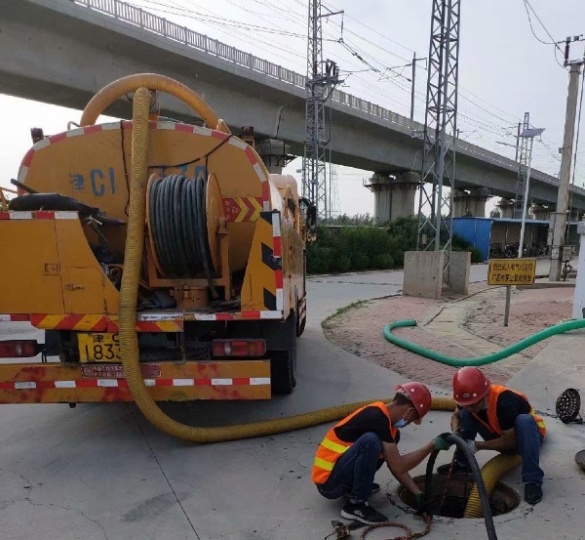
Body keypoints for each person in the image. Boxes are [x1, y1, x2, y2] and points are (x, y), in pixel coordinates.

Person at [311, 382, 453, 525]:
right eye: (413, 419)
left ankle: (356, 488)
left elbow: (394, 465)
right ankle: (355, 505)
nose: (410, 423)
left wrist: (417, 494)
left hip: (340, 474)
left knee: (376, 442)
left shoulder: (390, 429)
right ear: (410, 411)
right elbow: (400, 466)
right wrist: (432, 446)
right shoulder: (376, 418)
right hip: (329, 483)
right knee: (371, 441)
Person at [441, 366, 546, 505]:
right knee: (465, 414)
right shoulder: (469, 400)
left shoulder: (505, 401)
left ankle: (533, 481)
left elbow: (510, 441)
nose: (468, 407)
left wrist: (477, 446)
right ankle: (462, 462)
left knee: (524, 421)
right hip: (500, 432)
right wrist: (456, 433)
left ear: (484, 396)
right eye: (465, 404)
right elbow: (456, 415)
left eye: (472, 404)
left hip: (526, 438)